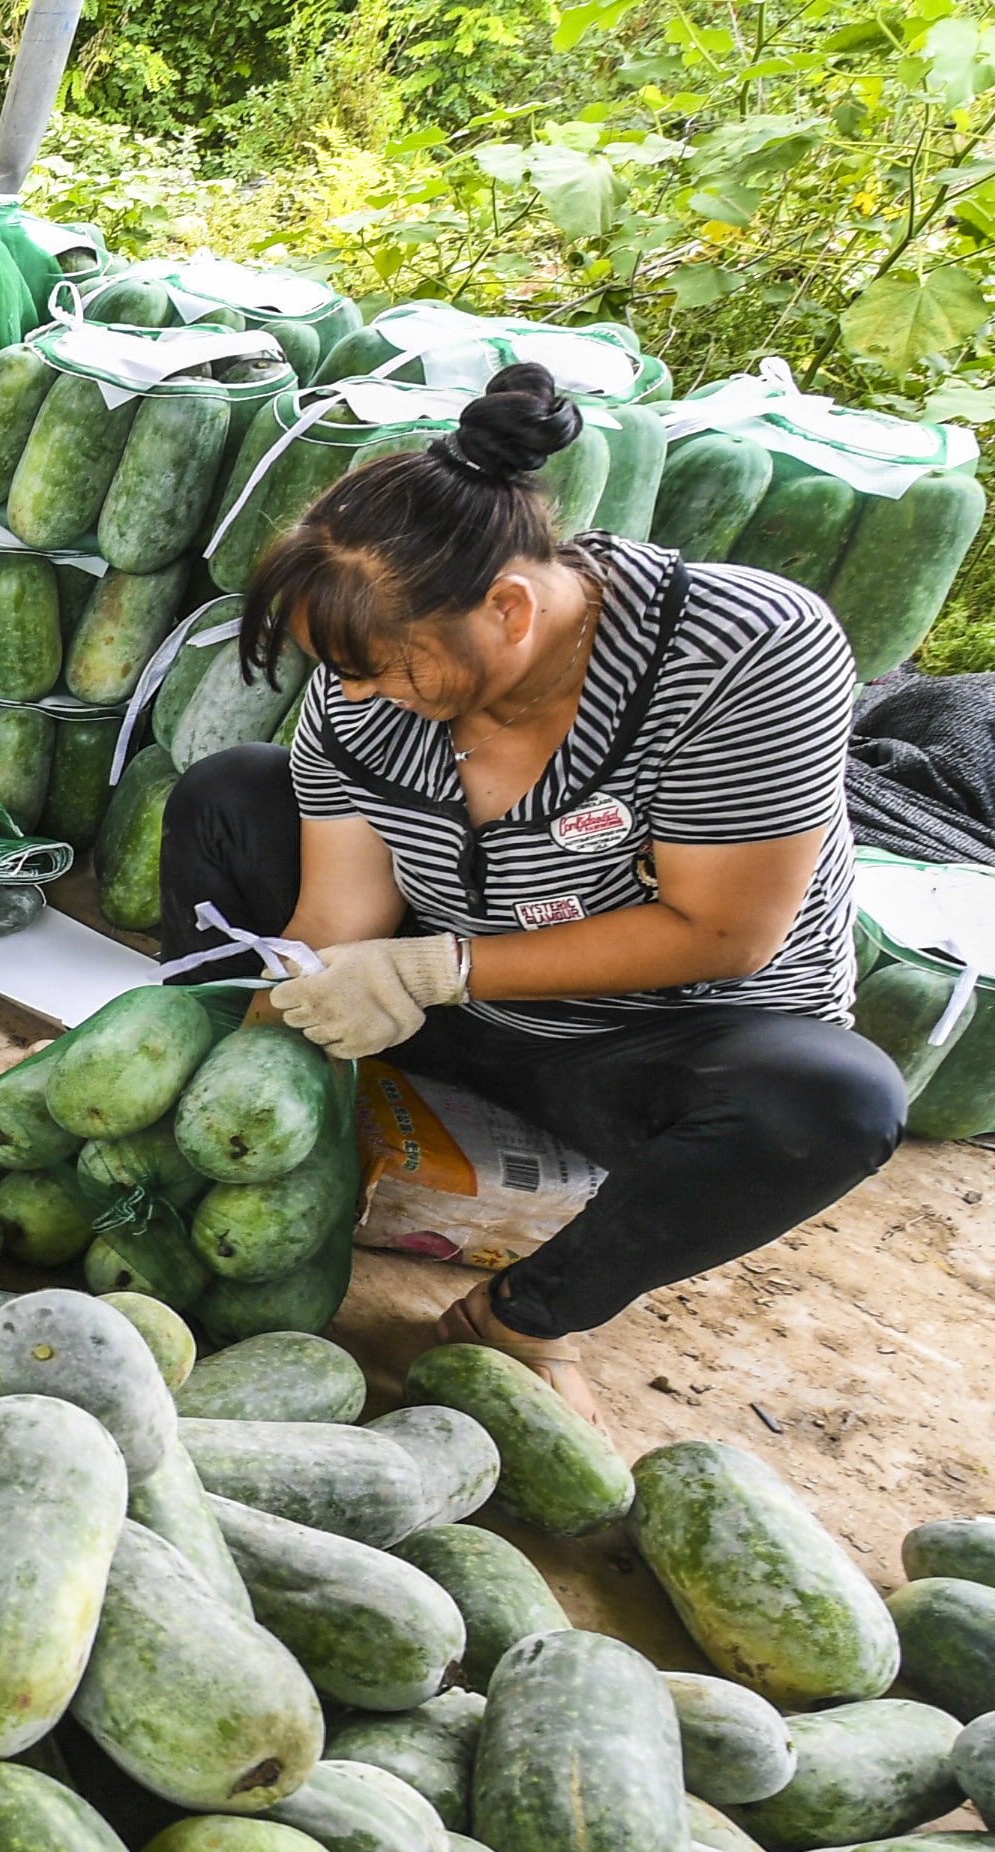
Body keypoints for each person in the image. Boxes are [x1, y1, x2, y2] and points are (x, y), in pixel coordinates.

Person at [158, 361, 907, 1415]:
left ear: (509, 609)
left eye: (387, 668)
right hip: (445, 1008)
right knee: (232, 791)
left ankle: (526, 1317)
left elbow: (727, 931)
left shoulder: (745, 647)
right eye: (348, 672)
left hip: (645, 1047)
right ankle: (269, 1137)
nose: (359, 693)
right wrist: (248, 1066)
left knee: (834, 1101)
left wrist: (441, 966)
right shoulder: (366, 678)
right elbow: (335, 917)